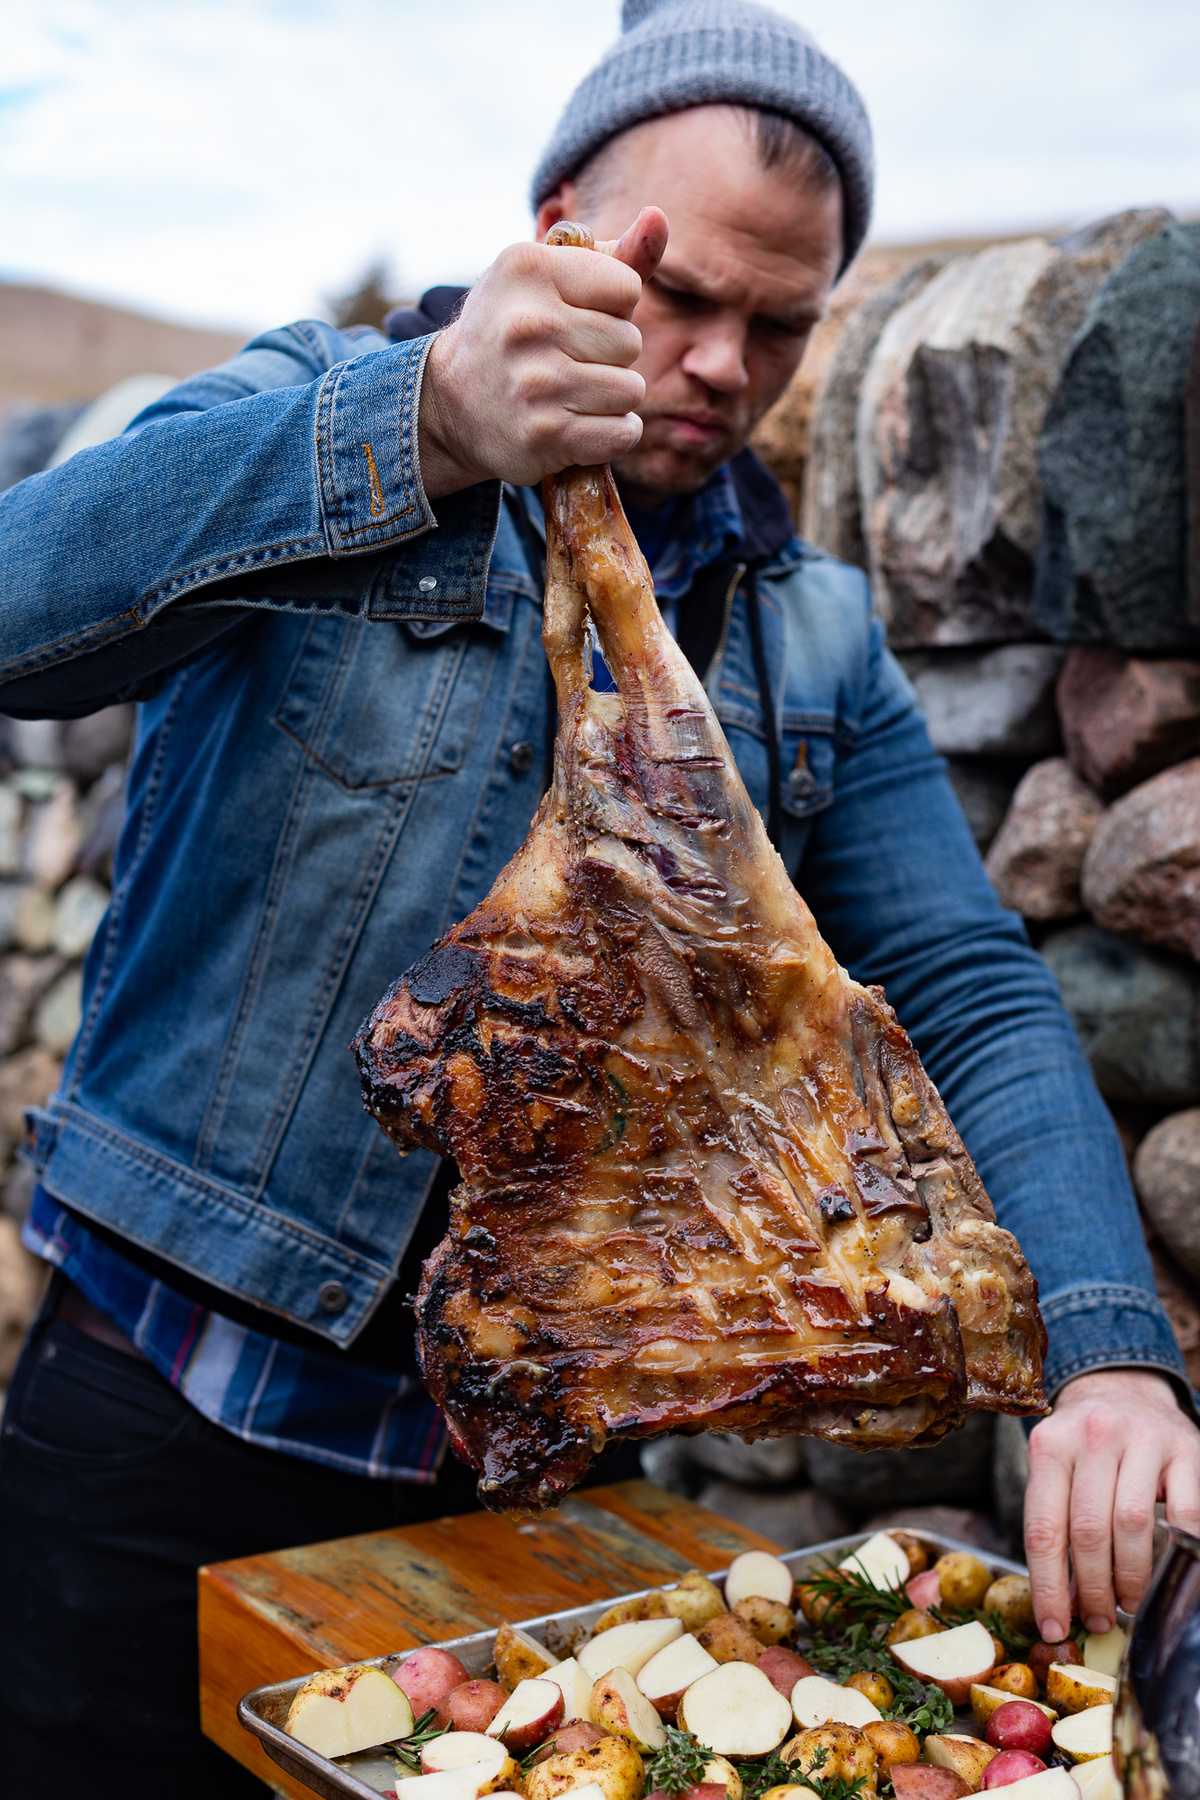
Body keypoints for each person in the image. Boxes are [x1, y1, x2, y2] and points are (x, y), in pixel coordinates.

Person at [1, 1, 1197, 1793]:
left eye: (782, 326)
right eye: (683, 295)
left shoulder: (813, 635)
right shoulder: (304, 418)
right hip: (162, 1444)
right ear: (557, 224)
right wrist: (429, 420)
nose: (723, 363)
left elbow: (968, 982)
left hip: (541, 1496)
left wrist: (1111, 1349)